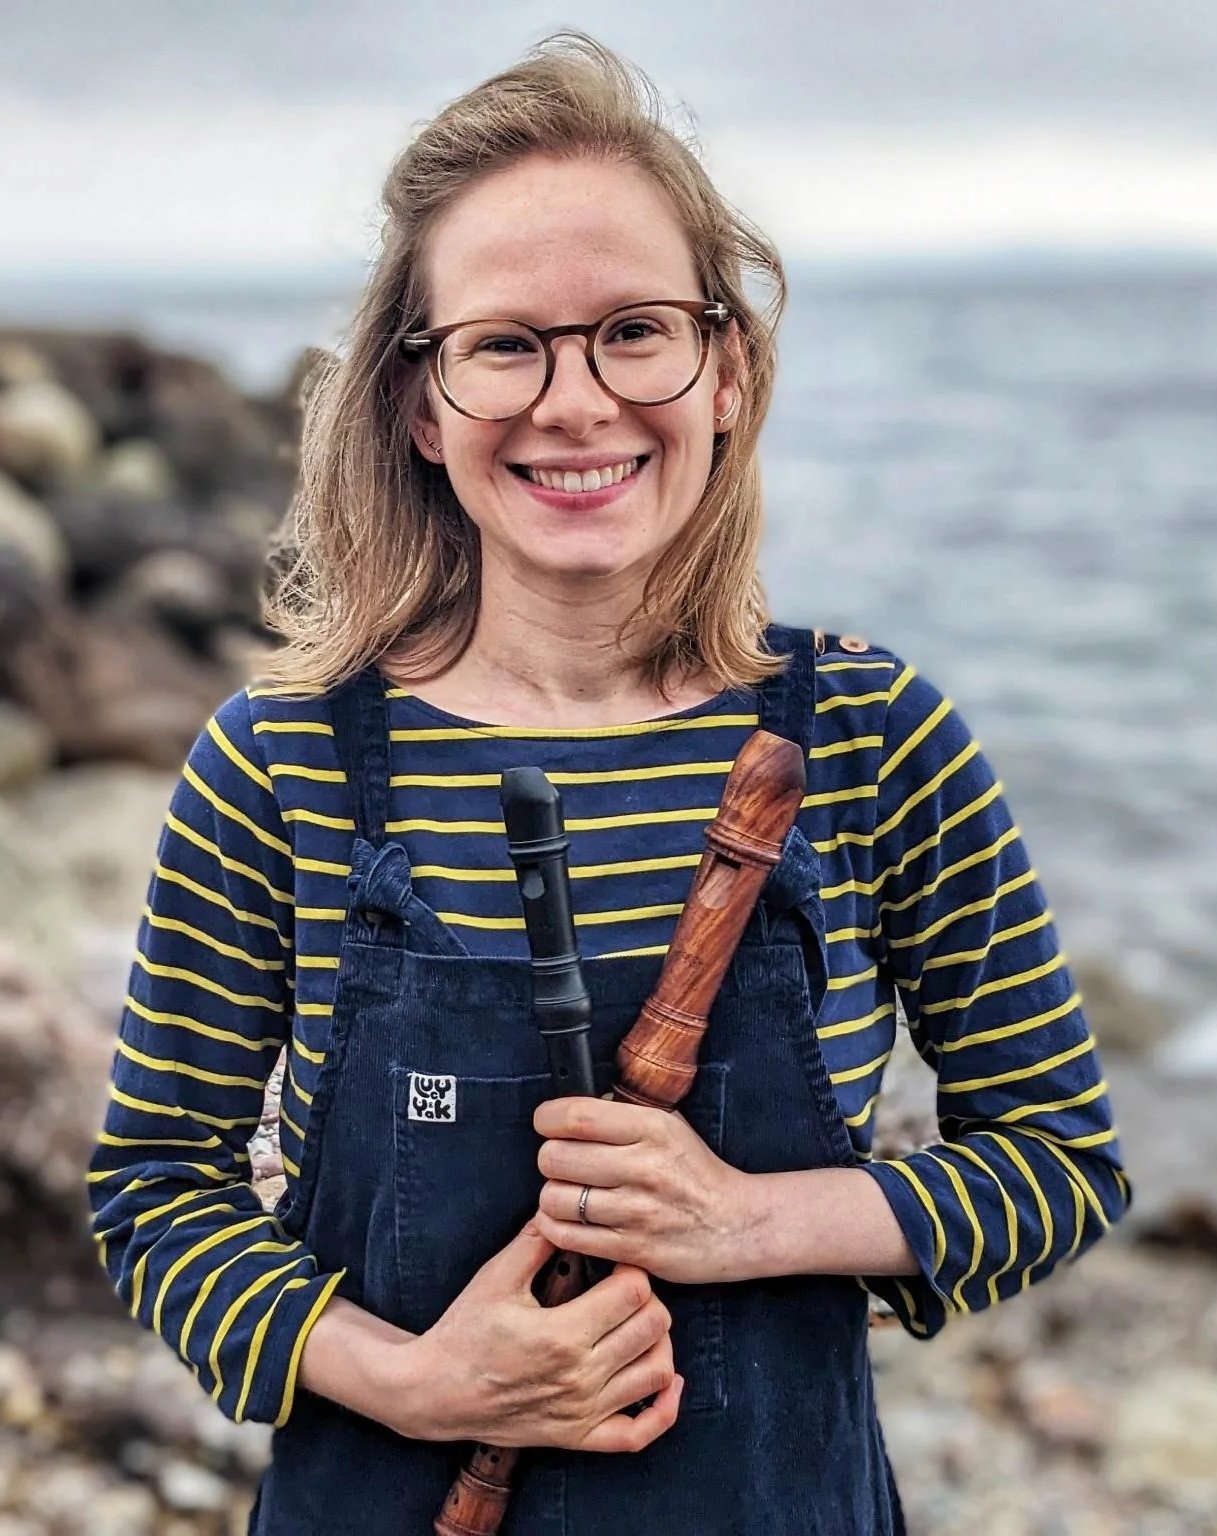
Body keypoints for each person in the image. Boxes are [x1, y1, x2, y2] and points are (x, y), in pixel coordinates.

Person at [87, 33, 1132, 1535]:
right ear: (418, 405)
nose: (576, 402)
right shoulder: (284, 761)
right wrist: (421, 1382)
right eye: (506, 343)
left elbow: (1058, 1161)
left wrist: (749, 1220)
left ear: (728, 369)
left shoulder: (873, 734)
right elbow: (155, 1193)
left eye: (634, 331)